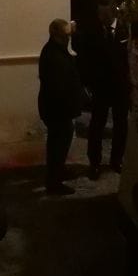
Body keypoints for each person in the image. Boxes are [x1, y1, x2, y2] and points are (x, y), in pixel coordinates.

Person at [83, 2, 130, 179]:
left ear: (112, 13)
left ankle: (116, 159)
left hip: (120, 87)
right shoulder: (94, 31)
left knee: (121, 125)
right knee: (96, 126)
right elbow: (87, 59)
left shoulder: (125, 30)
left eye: (104, 14)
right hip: (101, 87)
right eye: (99, 14)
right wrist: (88, 83)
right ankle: (94, 162)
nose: (100, 18)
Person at [38, 18, 84, 194]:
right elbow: (58, 86)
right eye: (66, 35)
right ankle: (54, 181)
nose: (68, 39)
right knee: (57, 144)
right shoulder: (52, 54)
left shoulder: (56, 50)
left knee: (59, 142)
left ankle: (57, 172)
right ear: (56, 35)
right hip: (57, 108)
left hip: (59, 107)